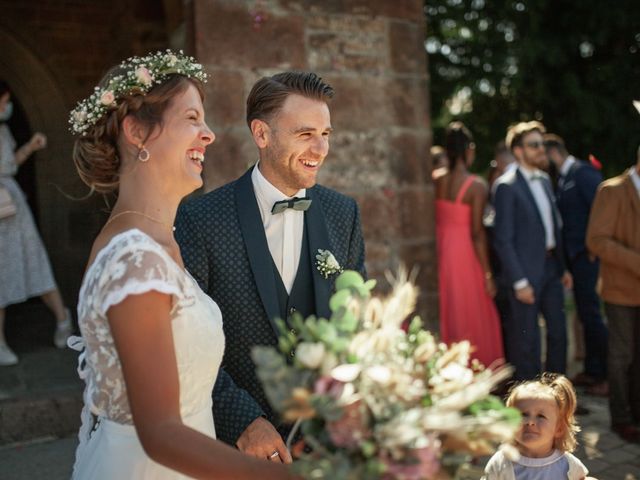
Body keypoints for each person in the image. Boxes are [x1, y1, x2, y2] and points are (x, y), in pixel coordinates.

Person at [68, 51, 292, 479]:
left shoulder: (160, 242)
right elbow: (162, 433)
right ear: (136, 131)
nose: (208, 135)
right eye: (192, 118)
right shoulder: (132, 257)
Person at [175, 71, 366, 458]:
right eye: (305, 134)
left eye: (326, 134)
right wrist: (243, 421)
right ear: (262, 135)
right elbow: (184, 345)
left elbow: (355, 325)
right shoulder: (201, 220)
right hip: (236, 449)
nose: (321, 148)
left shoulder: (342, 214)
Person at [492, 121, 572, 381]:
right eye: (534, 145)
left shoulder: (546, 181)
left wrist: (563, 268)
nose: (541, 150)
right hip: (525, 273)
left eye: (542, 144)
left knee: (559, 334)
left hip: (551, 268)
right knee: (527, 342)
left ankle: (558, 399)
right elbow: (502, 239)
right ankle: (528, 404)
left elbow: (553, 228)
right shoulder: (506, 185)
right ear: (518, 151)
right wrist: (519, 281)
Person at [0, 80, 72, 366]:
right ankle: (1, 342)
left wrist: (30, 146)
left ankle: (63, 319)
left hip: (12, 205)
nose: (6, 107)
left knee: (33, 260)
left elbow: (10, 165)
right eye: (3, 102)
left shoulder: (3, 130)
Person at [433, 121, 504, 367]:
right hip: (462, 252)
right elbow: (476, 233)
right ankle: (475, 365)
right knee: (470, 308)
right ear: (469, 150)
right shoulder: (476, 185)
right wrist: (487, 273)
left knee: (448, 306)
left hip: (440, 248)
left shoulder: (436, 179)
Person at [545, 134, 608, 396]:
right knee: (585, 314)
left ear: (553, 152)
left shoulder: (582, 173)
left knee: (593, 315)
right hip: (575, 259)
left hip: (588, 256)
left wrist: (595, 246)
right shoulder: (561, 178)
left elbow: (602, 209)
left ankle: (605, 375)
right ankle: (593, 369)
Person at [586, 146, 640, 443]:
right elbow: (596, 240)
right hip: (620, 290)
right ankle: (621, 419)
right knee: (622, 355)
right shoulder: (611, 190)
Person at [483, 373, 592, 479]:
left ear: (558, 428)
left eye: (541, 416)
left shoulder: (567, 465)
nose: (530, 422)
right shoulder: (501, 463)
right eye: (523, 415)